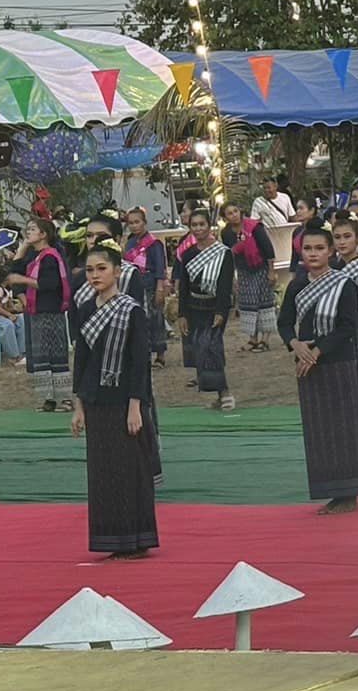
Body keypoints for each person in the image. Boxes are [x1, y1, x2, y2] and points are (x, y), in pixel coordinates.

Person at [69, 240, 158, 559]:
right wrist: (78, 404)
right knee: (103, 473)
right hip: (96, 400)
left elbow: (139, 362)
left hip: (123, 401)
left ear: (118, 272)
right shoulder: (85, 307)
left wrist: (136, 405)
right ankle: (110, 540)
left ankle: (137, 539)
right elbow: (81, 357)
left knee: (129, 469)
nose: (95, 275)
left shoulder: (130, 310)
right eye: (90, 270)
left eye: (102, 269)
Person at [279, 225, 358, 515]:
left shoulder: (344, 283)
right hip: (307, 365)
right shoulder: (296, 284)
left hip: (338, 362)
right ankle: (330, 491)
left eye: (320, 248)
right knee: (318, 429)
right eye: (308, 249)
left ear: (331, 251)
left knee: (342, 428)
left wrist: (316, 352)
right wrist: (295, 345)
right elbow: (284, 322)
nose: (313, 254)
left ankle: (349, 493)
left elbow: (348, 327)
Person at [5, 217, 73, 412]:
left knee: (56, 355)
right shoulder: (32, 255)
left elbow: (49, 284)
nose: (28, 232)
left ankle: (65, 399)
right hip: (35, 311)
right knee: (40, 356)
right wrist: (23, 247)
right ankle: (48, 399)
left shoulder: (50, 256)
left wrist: (23, 280)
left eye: (32, 229)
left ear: (44, 234)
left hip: (50, 310)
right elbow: (15, 271)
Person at [174, 208, 236, 411]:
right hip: (194, 308)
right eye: (194, 225)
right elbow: (183, 286)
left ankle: (225, 392)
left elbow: (225, 285)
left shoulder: (223, 253)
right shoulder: (189, 254)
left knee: (212, 346)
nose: (198, 229)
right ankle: (218, 393)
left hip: (215, 308)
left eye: (202, 224)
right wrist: (182, 314)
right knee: (199, 350)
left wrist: (220, 311)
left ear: (209, 226)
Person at [221, 202, 277, 352]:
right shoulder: (226, 233)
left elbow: (268, 249)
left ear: (240, 211)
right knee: (247, 304)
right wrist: (233, 277)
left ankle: (265, 340)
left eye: (235, 211)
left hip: (261, 268)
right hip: (244, 271)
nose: (234, 215)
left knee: (265, 301)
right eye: (229, 213)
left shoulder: (254, 227)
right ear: (225, 218)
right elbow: (229, 256)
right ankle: (252, 339)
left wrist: (271, 271)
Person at [123, 207, 169, 367]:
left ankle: (160, 354)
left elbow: (160, 267)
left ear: (144, 222)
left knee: (156, 319)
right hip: (134, 286)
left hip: (151, 285)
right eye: (131, 223)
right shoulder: (129, 242)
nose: (134, 226)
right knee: (140, 321)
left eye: (137, 222)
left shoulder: (153, 243)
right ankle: (144, 352)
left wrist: (160, 288)